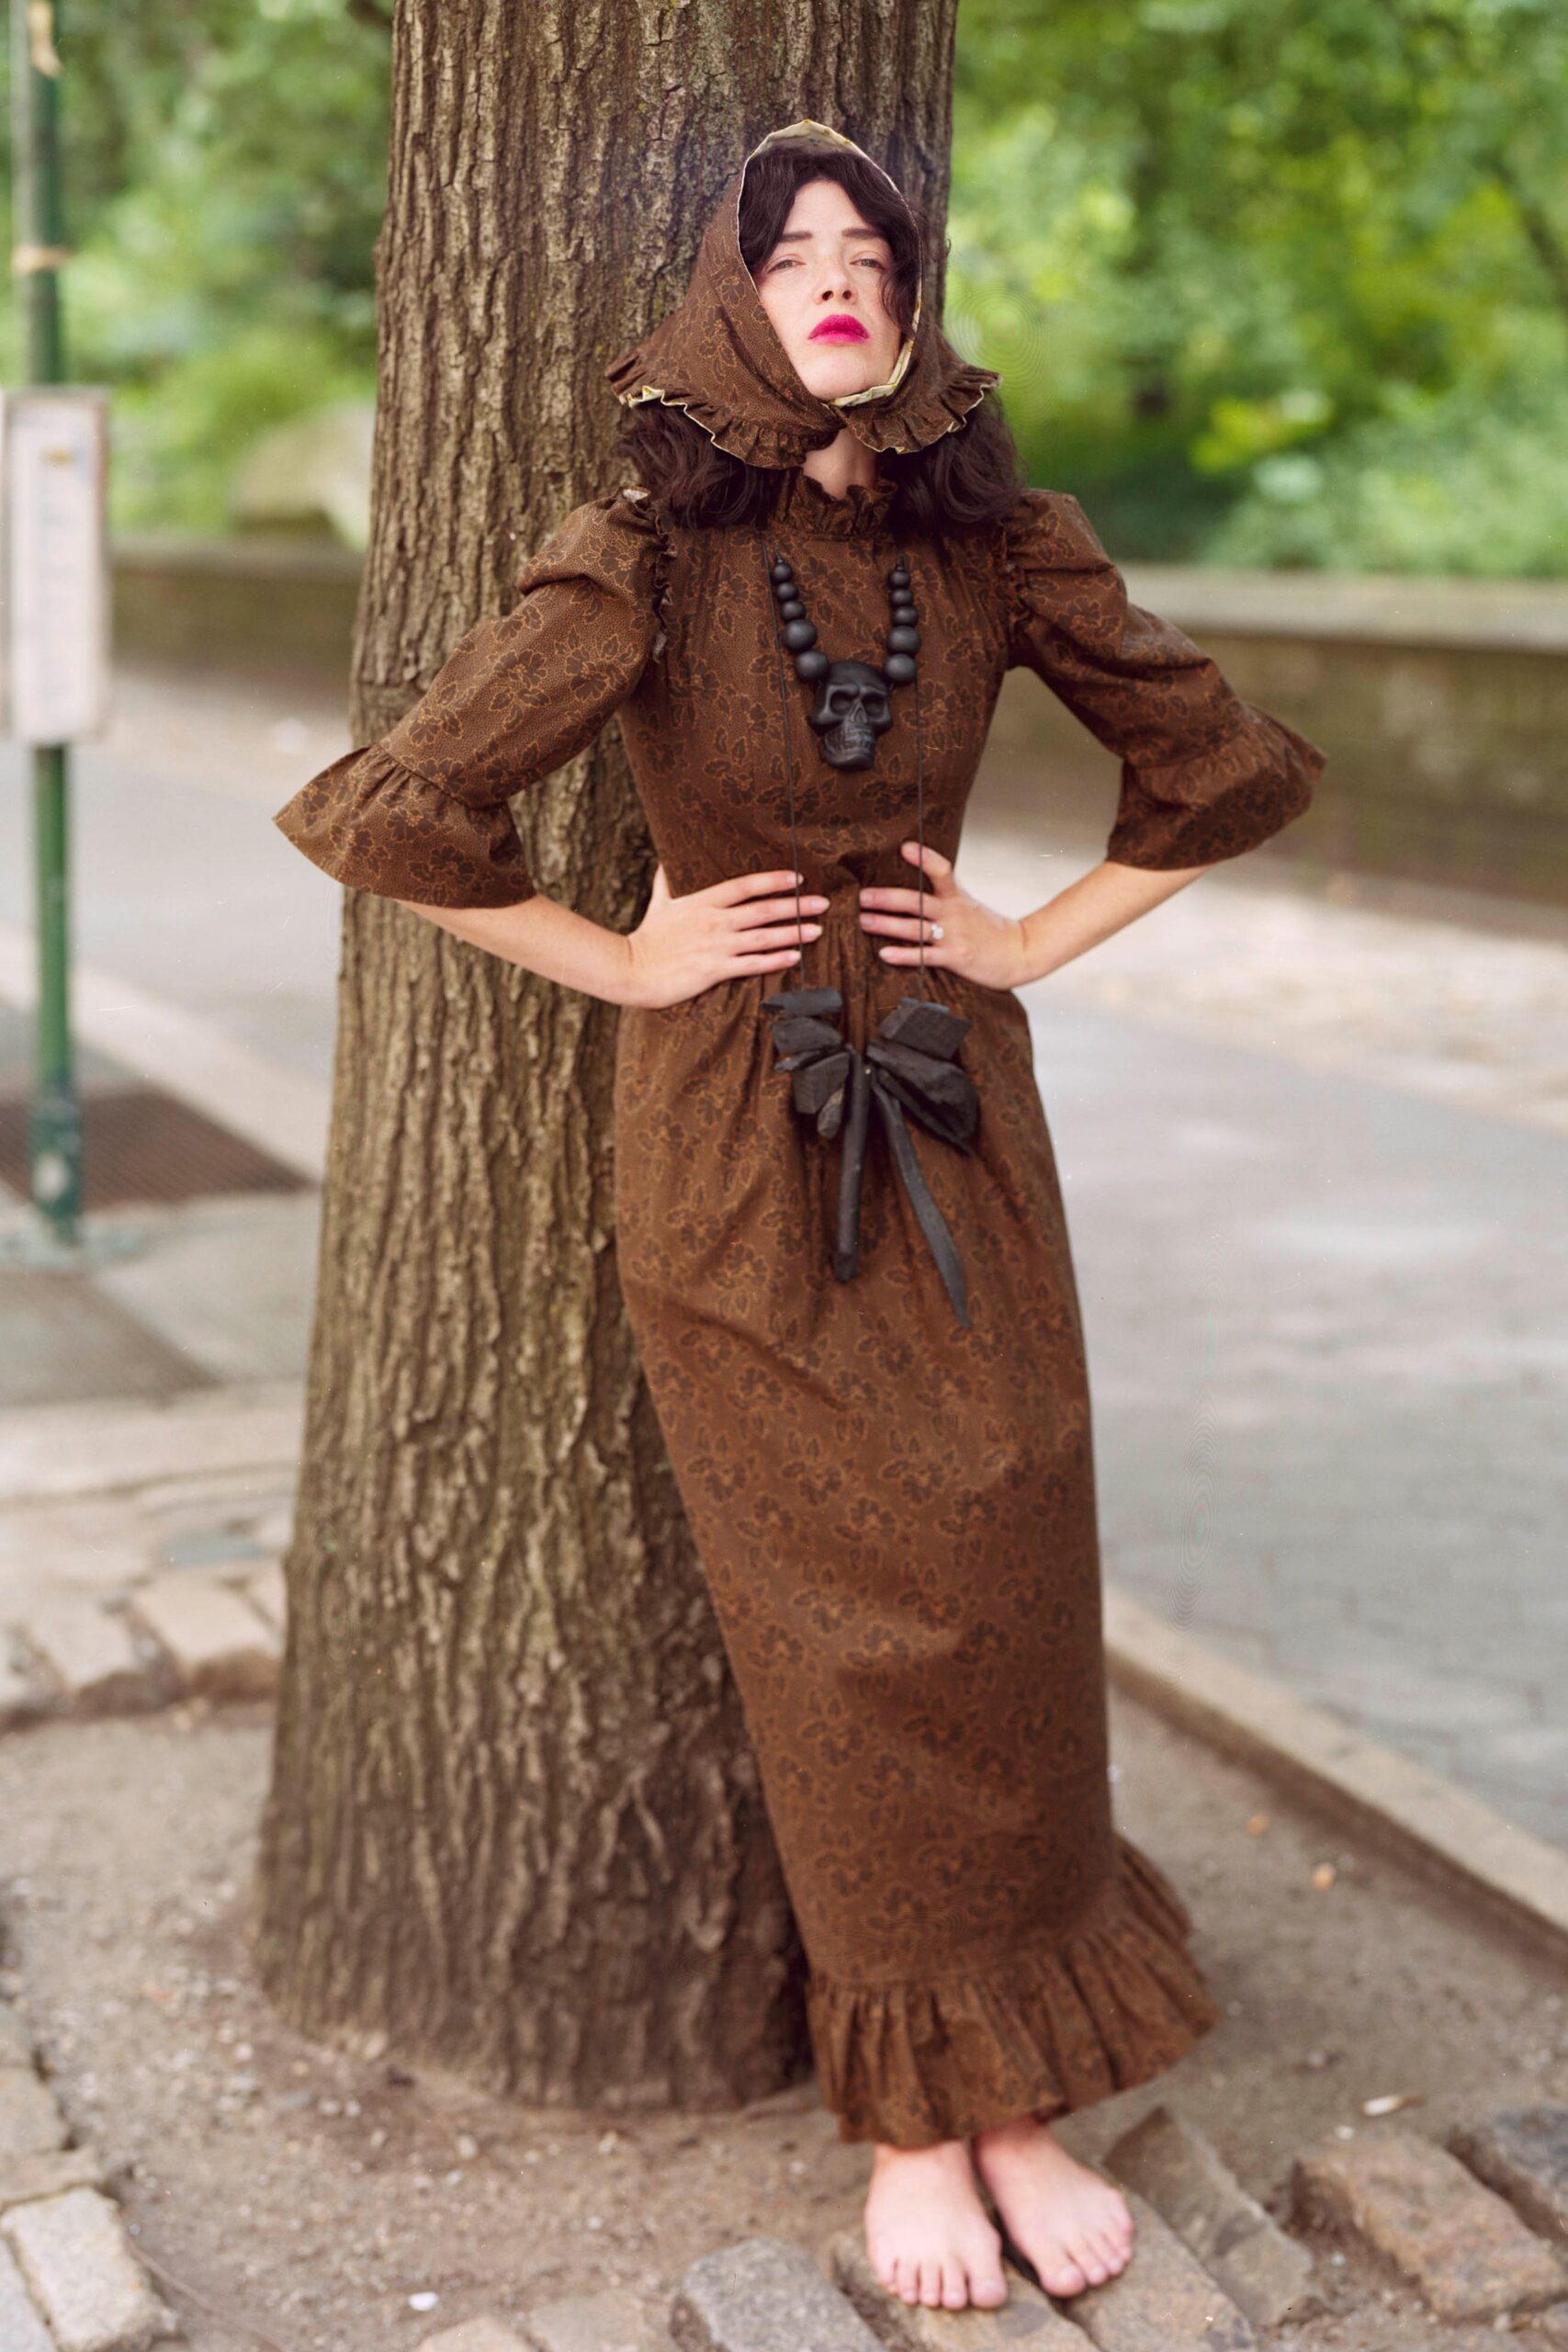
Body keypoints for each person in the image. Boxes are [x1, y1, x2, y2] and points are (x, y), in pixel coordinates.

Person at [275, 116, 1325, 2317]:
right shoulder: (641, 553)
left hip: (955, 1106)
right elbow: (398, 809)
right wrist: (623, 954)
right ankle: (914, 2117)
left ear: (913, 297)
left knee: (1008, 1552)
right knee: (851, 1631)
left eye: (871, 248)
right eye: (790, 251)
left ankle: (1019, 2081)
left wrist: (1025, 938)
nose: (837, 276)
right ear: (725, 301)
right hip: (741, 1132)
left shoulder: (995, 539)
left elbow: (1215, 763)